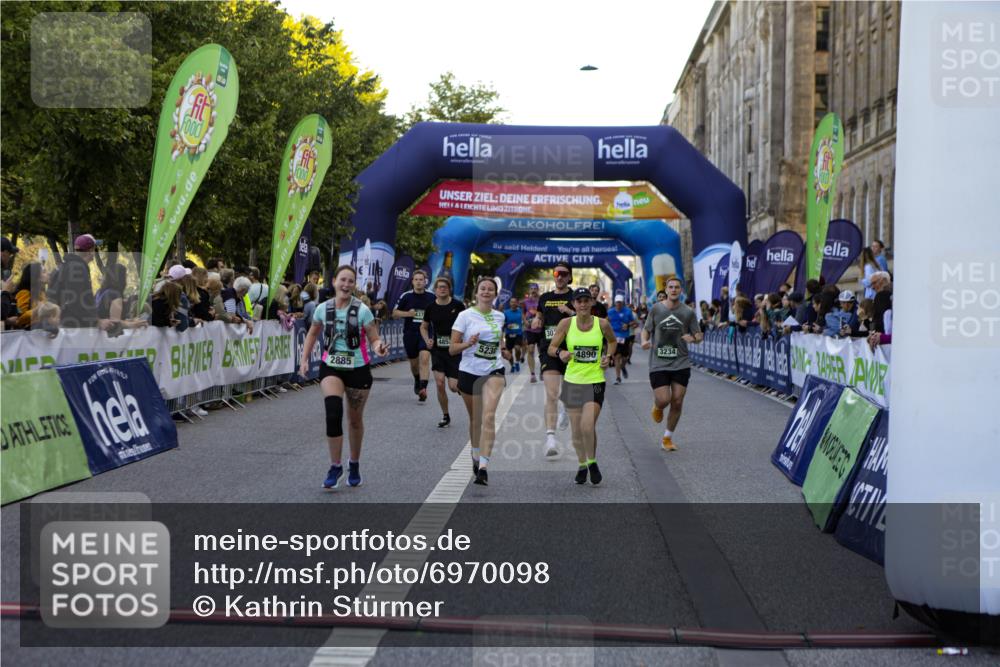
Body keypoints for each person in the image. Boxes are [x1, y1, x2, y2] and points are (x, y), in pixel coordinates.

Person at [299, 265, 388, 489]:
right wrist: (304, 359)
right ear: (334, 282)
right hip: (331, 367)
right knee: (333, 413)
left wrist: (379, 348)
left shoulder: (363, 310)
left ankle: (354, 463)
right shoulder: (322, 309)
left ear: (354, 285)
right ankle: (335, 465)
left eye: (350, 281)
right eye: (343, 280)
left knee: (355, 420)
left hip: (358, 369)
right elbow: (312, 334)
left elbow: (374, 338)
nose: (346, 285)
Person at [548, 288, 617, 485]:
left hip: (595, 381)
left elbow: (612, 342)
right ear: (574, 304)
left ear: (592, 302)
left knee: (588, 425)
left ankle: (592, 462)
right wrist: (560, 353)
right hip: (573, 381)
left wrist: (608, 356)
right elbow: (552, 348)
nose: (583, 304)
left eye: (587, 300)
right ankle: (581, 464)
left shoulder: (602, 324)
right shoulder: (566, 324)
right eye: (579, 301)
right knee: (577, 429)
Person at [450, 277, 511, 486]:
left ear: (495, 294)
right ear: (476, 293)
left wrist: (503, 349)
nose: (486, 292)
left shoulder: (500, 316)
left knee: (489, 416)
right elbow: (452, 348)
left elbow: (497, 340)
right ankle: (475, 454)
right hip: (469, 371)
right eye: (482, 289)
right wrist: (468, 343)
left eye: (490, 289)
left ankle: (483, 467)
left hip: (494, 370)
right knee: (476, 420)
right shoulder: (464, 316)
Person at [641, 277, 703, 452]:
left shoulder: (688, 312)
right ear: (666, 290)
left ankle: (667, 438)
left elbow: (699, 335)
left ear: (681, 290)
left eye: (677, 287)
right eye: (671, 287)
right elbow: (646, 329)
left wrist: (694, 338)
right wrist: (644, 341)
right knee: (664, 399)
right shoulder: (656, 309)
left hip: (681, 362)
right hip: (659, 362)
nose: (674, 290)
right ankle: (658, 406)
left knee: (677, 401)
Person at [532, 261, 575, 457]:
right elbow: (539, 315)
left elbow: (586, 319)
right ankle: (550, 439)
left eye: (564, 274)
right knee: (551, 393)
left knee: (568, 392)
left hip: (571, 349)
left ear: (570, 277)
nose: (560, 276)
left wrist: (571, 312)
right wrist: (537, 319)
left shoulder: (575, 296)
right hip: (549, 349)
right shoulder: (545, 297)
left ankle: (566, 406)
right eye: (557, 273)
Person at [420, 276, 466, 428]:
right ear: (435, 290)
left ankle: (466, 391)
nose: (442, 289)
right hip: (438, 350)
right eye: (439, 287)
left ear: (449, 289)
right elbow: (423, 327)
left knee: (453, 387)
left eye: (445, 287)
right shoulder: (430, 307)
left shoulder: (458, 306)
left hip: (454, 351)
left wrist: (464, 342)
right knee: (440, 383)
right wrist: (427, 340)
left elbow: (467, 325)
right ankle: (445, 415)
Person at [47, 234, 112, 331]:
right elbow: (76, 301)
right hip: (74, 327)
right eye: (94, 249)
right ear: (90, 251)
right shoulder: (77, 269)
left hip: (66, 325)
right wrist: (97, 322)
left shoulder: (67, 266)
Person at [393, 269, 435, 403]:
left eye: (421, 280)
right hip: (410, 333)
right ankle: (417, 379)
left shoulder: (432, 296)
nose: (418, 282)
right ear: (412, 281)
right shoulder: (406, 296)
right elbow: (394, 313)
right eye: (416, 280)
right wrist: (408, 314)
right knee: (414, 363)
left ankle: (423, 388)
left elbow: (439, 311)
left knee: (425, 359)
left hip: (426, 332)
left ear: (425, 282)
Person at [607, 294, 636, 385]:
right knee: (617, 356)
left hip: (625, 337)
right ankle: (618, 377)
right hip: (614, 337)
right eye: (617, 302)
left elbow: (634, 322)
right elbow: (606, 321)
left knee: (625, 357)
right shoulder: (610, 312)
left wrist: (627, 325)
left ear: (622, 302)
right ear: (615, 302)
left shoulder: (627, 311)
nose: (618, 304)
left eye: (620, 302)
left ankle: (623, 366)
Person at [521, 283, 542, 383]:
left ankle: (543, 369)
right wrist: (525, 321)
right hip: (530, 330)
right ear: (529, 290)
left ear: (538, 290)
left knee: (542, 352)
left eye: (535, 288)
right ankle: (532, 374)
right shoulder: (526, 302)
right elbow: (522, 312)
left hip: (540, 329)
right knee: (530, 350)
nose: (533, 290)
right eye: (531, 289)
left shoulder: (542, 300)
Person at [503, 296, 524, 373]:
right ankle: (512, 365)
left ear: (517, 303)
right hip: (509, 334)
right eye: (511, 302)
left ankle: (517, 362)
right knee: (509, 353)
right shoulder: (506, 312)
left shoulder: (520, 312)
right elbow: (502, 323)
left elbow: (524, 320)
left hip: (518, 334)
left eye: (515, 302)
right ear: (509, 303)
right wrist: (505, 325)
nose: (513, 303)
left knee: (517, 348)